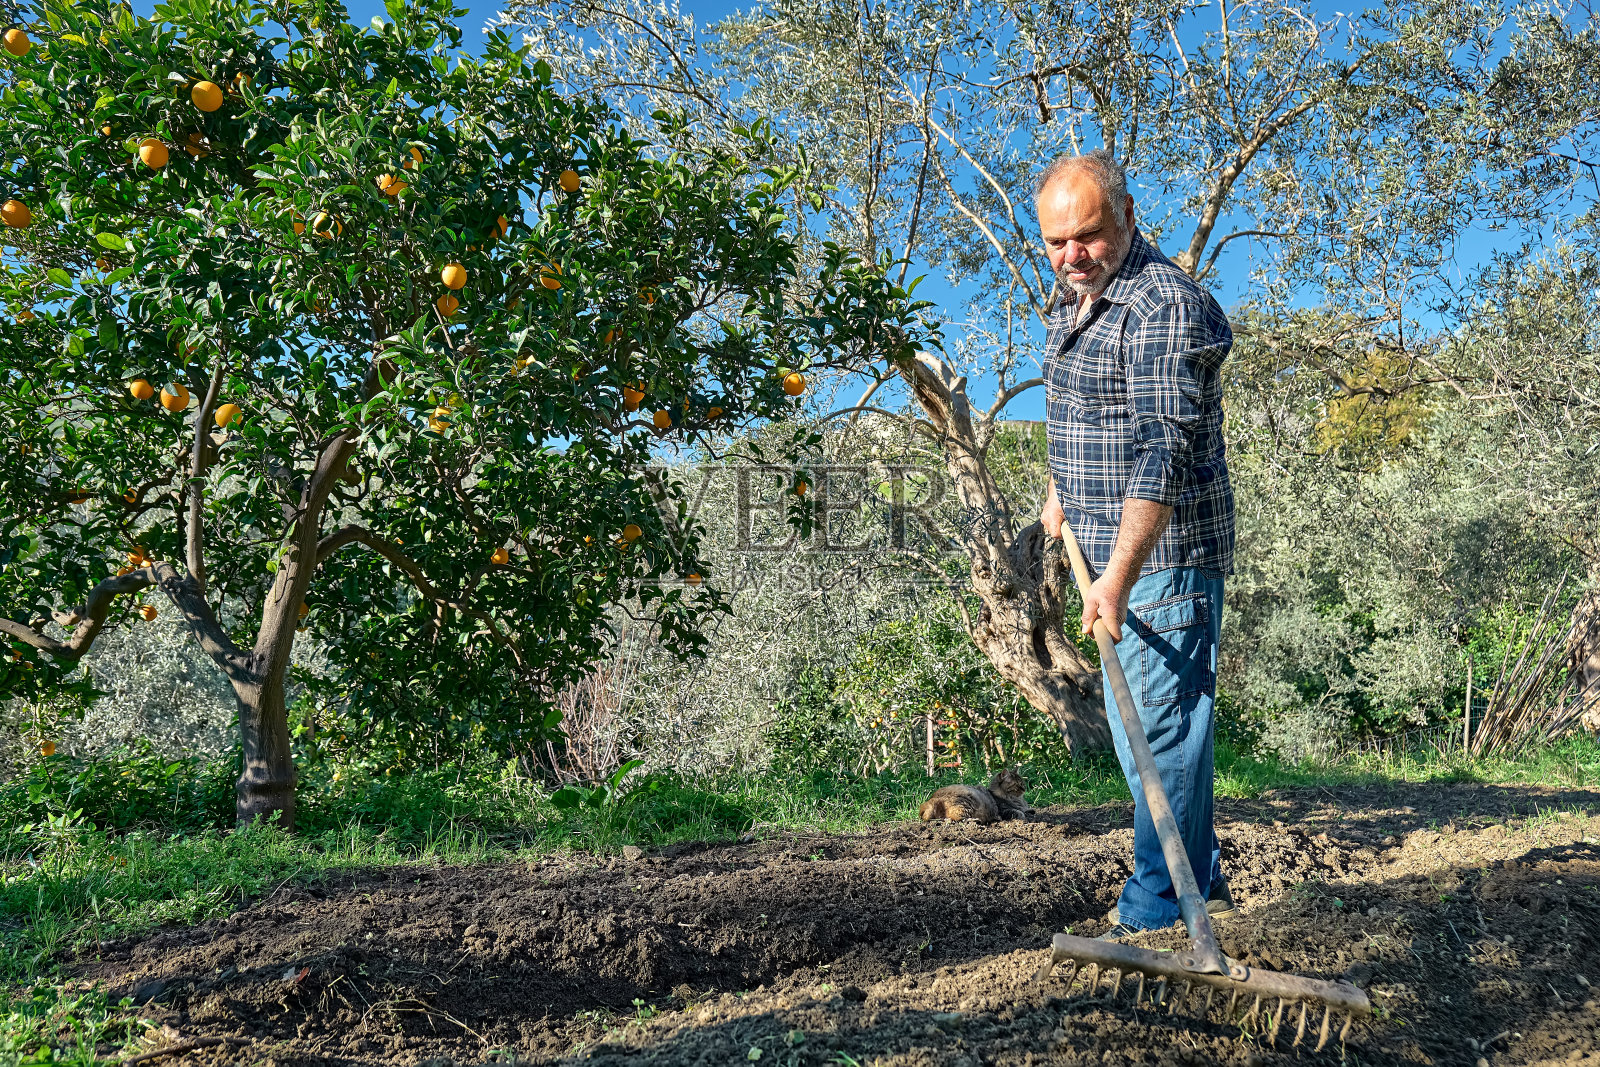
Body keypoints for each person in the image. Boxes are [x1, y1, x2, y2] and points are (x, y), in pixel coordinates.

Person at [1034, 149, 1237, 939]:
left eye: (1086, 235)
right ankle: (1200, 887)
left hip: (1160, 558)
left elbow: (1164, 447)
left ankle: (1156, 913)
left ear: (1126, 215)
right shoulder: (1077, 298)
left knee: (1158, 736)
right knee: (1151, 734)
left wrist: (1116, 576)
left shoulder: (1162, 307)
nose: (1071, 255)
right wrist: (1061, 489)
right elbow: (1082, 408)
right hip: (1107, 550)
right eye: (1055, 242)